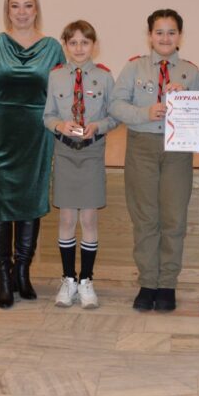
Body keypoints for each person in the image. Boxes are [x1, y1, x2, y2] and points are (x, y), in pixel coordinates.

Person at [0, 0, 64, 308]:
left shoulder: (52, 47)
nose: (22, 12)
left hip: (37, 137)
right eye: (15, 6)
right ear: (7, 10)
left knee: (30, 202)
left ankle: (23, 271)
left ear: (36, 9)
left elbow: (63, 93)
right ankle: (4, 276)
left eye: (27, 5)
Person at [110, 9, 199, 312]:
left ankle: (167, 284)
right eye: (159, 32)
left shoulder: (191, 73)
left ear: (180, 36)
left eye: (172, 32)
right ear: (149, 35)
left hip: (178, 151)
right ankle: (148, 282)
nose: (165, 38)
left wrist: (186, 95)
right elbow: (115, 105)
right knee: (145, 218)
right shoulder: (134, 69)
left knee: (174, 219)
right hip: (142, 146)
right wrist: (144, 113)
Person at [43, 20, 118, 308]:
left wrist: (97, 126)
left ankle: (86, 280)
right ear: (65, 45)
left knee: (88, 219)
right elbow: (46, 115)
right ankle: (68, 279)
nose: (78, 48)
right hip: (64, 153)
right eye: (72, 42)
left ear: (93, 46)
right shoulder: (56, 77)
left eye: (84, 43)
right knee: (66, 219)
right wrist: (60, 124)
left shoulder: (104, 78)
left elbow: (114, 117)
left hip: (91, 153)